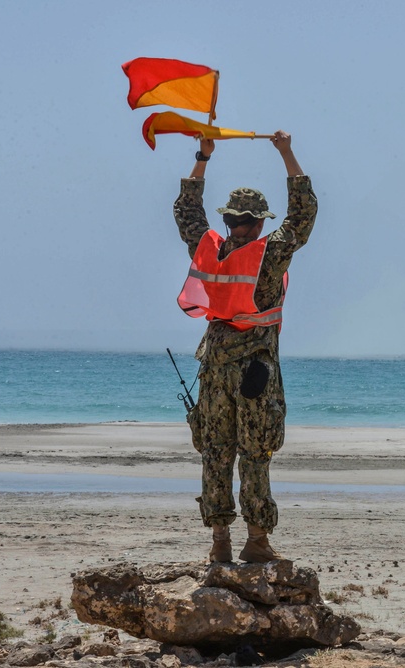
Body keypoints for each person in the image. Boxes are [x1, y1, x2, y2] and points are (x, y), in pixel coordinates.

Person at [173, 131, 317, 563]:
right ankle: (256, 540)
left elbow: (186, 210)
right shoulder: (268, 253)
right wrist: (287, 152)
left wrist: (203, 157)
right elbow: (303, 213)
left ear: (229, 220)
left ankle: (219, 542)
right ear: (257, 223)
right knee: (256, 453)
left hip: (215, 365)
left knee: (216, 452)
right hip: (255, 368)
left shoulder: (208, 248)